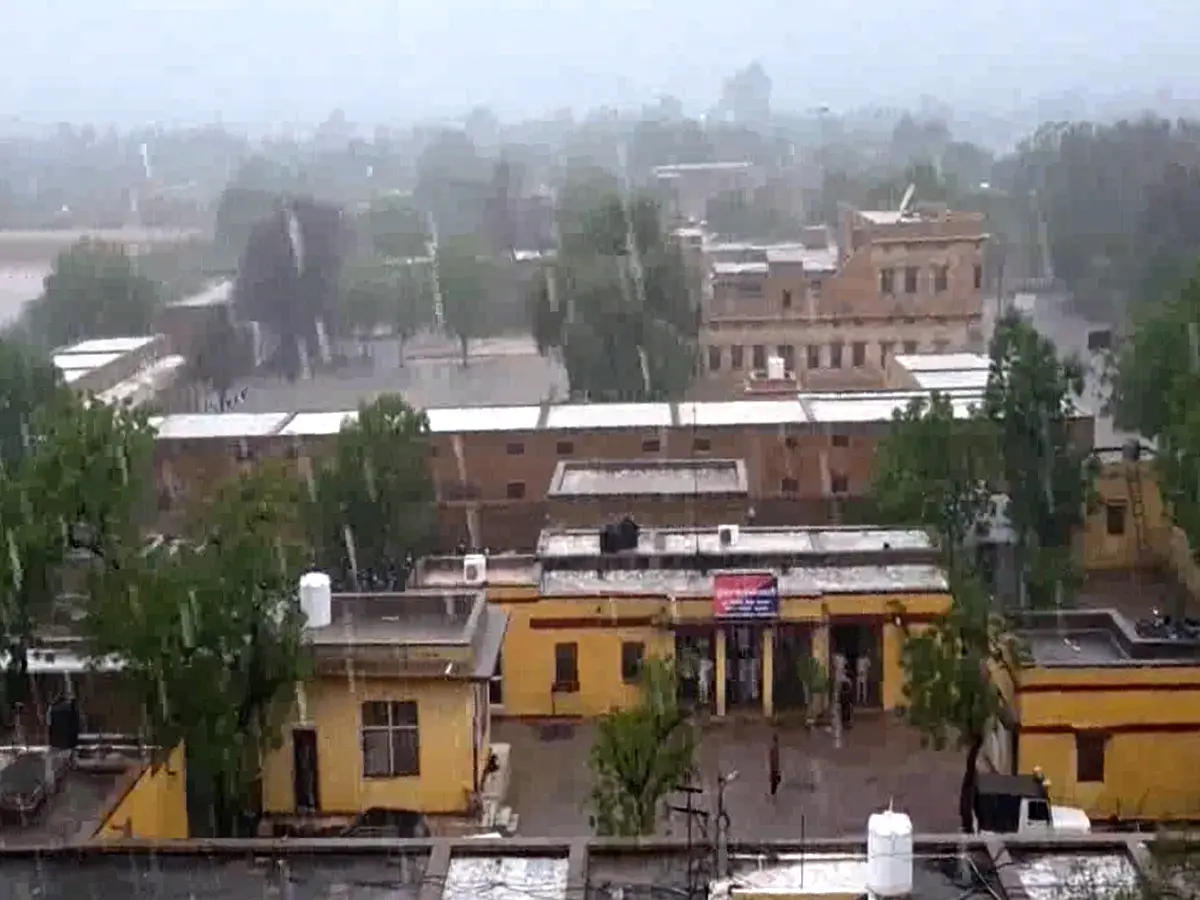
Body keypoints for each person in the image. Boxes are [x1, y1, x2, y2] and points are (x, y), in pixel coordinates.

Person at [768, 732, 781, 799]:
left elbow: (774, 758)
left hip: (774, 767)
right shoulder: (774, 747)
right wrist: (774, 768)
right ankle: (773, 795)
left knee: (775, 781)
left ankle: (773, 794)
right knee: (775, 781)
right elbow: (773, 758)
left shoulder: (775, 746)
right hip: (774, 767)